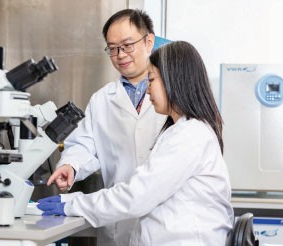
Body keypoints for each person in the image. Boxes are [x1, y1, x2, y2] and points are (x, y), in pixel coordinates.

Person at [38, 41, 234, 246]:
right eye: (113, 48)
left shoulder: (189, 134)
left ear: (173, 80)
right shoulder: (182, 130)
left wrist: (73, 204)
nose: (148, 90)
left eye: (151, 80)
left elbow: (137, 196)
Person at [45, 9, 166, 246]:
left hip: (162, 220)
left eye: (128, 45)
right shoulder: (102, 99)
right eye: (113, 48)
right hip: (118, 223)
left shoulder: (172, 95)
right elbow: (84, 145)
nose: (120, 55)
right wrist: (70, 165)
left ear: (148, 41)